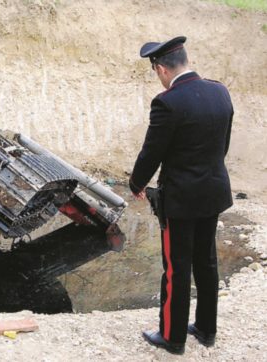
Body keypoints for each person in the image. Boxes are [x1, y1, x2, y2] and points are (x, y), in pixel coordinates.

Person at [129, 36, 233, 355]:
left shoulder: (168, 102)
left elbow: (152, 152)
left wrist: (136, 184)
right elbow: (222, 144)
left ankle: (172, 337)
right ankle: (206, 329)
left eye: (156, 71)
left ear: (161, 68)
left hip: (181, 199)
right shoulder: (221, 92)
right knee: (207, 262)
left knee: (176, 267)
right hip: (213, 191)